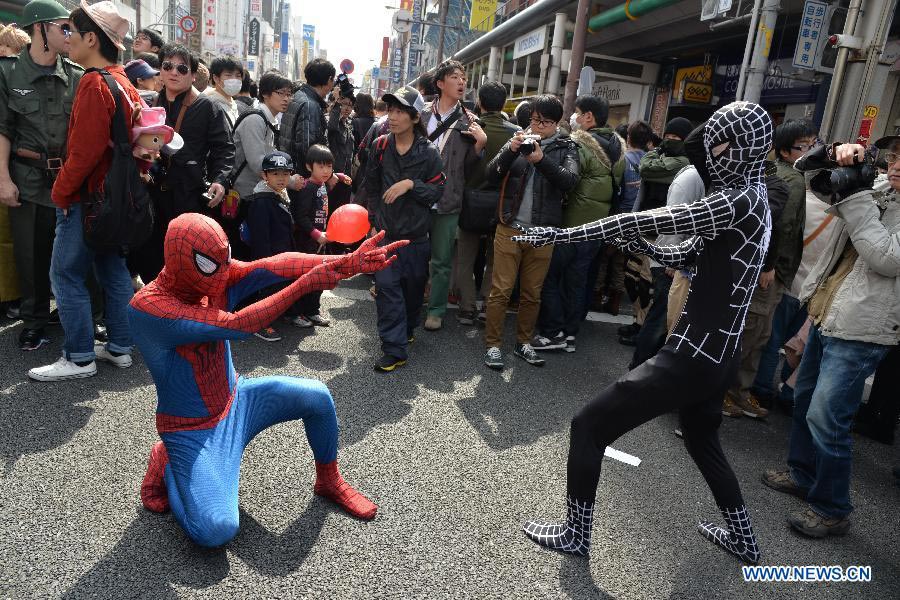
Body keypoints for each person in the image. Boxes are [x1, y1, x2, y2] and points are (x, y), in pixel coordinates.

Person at [515, 101, 774, 564]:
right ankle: (744, 539)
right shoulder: (754, 198)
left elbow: (649, 220)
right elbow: (691, 260)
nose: (712, 153)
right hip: (719, 353)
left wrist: (561, 234)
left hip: (694, 354)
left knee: (588, 426)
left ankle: (576, 533)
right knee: (702, 439)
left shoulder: (736, 200)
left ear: (740, 148)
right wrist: (642, 246)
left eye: (719, 143)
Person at [133, 212, 405, 547]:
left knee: (318, 397)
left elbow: (272, 265)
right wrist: (307, 283)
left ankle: (328, 480)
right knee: (215, 531)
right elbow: (238, 326)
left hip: (238, 399)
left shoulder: (212, 272)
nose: (222, 274)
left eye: (225, 258)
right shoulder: (150, 308)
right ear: (180, 261)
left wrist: (345, 261)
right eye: (210, 264)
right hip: (193, 431)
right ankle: (169, 461)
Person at [761, 136, 900, 538]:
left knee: (828, 415)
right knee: (805, 400)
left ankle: (832, 508)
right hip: (828, 310)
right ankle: (803, 474)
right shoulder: (879, 191)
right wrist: (828, 157)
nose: (895, 165)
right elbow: (816, 182)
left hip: (863, 327)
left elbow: (887, 258)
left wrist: (855, 195)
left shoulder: (872, 196)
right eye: (893, 156)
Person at [28, 0, 137, 382]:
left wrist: (61, 193)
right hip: (115, 199)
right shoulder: (123, 82)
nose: (68, 38)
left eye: (73, 31)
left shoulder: (94, 82)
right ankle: (120, 347)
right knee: (112, 268)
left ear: (91, 38)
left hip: (88, 197)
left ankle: (78, 357)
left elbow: (84, 152)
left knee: (65, 274)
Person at [0, 0, 83, 351]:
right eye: (63, 28)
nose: (70, 35)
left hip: (69, 180)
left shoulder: (77, 75)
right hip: (27, 177)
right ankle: (33, 321)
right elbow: (3, 129)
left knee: (73, 255)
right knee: (30, 255)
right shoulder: (7, 73)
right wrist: (2, 179)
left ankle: (76, 318)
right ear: (39, 29)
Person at [483, 94, 579, 370]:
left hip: (543, 232)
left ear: (556, 123)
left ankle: (523, 342)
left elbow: (569, 181)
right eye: (534, 120)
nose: (537, 127)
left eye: (544, 122)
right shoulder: (518, 138)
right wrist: (511, 150)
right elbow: (491, 175)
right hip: (509, 226)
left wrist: (541, 160)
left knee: (532, 293)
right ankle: (492, 345)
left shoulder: (567, 147)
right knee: (500, 291)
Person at [723, 120, 810, 419]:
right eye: (805, 145)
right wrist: (769, 265)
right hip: (769, 271)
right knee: (753, 334)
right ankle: (727, 393)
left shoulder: (767, 173)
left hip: (760, 266)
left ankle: (736, 393)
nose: (811, 150)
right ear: (784, 151)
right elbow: (779, 227)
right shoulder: (793, 180)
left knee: (757, 333)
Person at [137, 43, 235, 282]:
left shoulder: (207, 106)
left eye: (182, 68)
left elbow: (224, 150)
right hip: (150, 193)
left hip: (187, 195)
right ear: (160, 70)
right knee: (150, 258)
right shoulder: (148, 104)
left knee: (186, 259)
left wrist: (219, 181)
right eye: (167, 66)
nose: (173, 72)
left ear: (193, 74)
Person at [364, 86, 445, 372]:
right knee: (387, 290)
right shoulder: (381, 145)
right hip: (386, 237)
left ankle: (407, 328)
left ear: (414, 117)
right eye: (390, 110)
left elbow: (438, 192)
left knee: (412, 294)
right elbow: (370, 186)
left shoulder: (429, 152)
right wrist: (372, 221)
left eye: (400, 111)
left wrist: (411, 185)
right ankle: (394, 349)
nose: (393, 117)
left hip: (417, 239)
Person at [532, 95, 620, 353]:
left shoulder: (580, 145)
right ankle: (570, 333)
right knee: (577, 280)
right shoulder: (617, 147)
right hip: (598, 225)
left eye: (578, 113)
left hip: (572, 225)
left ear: (588, 117)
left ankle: (552, 331)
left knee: (549, 278)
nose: (574, 118)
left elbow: (567, 180)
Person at [421, 60, 487, 332]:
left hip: (449, 199)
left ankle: (435, 310)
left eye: (464, 77)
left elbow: (471, 170)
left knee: (441, 259)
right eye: (455, 77)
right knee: (410, 254)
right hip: (416, 196)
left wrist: (480, 145)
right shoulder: (420, 115)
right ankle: (410, 301)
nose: (462, 82)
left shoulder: (470, 121)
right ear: (440, 83)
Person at [455, 81, 519, 325]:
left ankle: (467, 307)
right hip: (501, 204)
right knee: (495, 259)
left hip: (469, 200)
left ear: (479, 102)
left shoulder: (469, 128)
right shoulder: (515, 131)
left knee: (465, 257)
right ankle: (485, 306)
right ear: (503, 104)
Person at [290, 144, 352, 328]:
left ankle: (313, 311)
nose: (326, 171)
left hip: (321, 241)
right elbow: (300, 216)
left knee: (319, 277)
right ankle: (298, 313)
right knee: (304, 278)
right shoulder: (308, 187)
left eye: (329, 166)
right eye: (321, 166)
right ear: (309, 167)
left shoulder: (322, 183)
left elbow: (330, 177)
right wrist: (316, 234)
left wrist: (338, 175)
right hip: (307, 242)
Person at [279, 58, 334, 177]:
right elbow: (308, 148)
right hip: (303, 177)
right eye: (332, 79)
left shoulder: (298, 95)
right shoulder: (310, 105)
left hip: (289, 170)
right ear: (329, 79)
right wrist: (327, 175)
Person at [326, 87, 355, 209]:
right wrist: (336, 104)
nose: (347, 108)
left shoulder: (348, 123)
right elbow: (332, 127)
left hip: (345, 177)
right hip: (332, 177)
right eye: (343, 104)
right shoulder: (329, 120)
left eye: (350, 105)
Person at [205, 56, 244, 129]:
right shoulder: (209, 105)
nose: (234, 79)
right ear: (216, 78)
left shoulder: (234, 105)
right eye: (228, 75)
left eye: (238, 76)